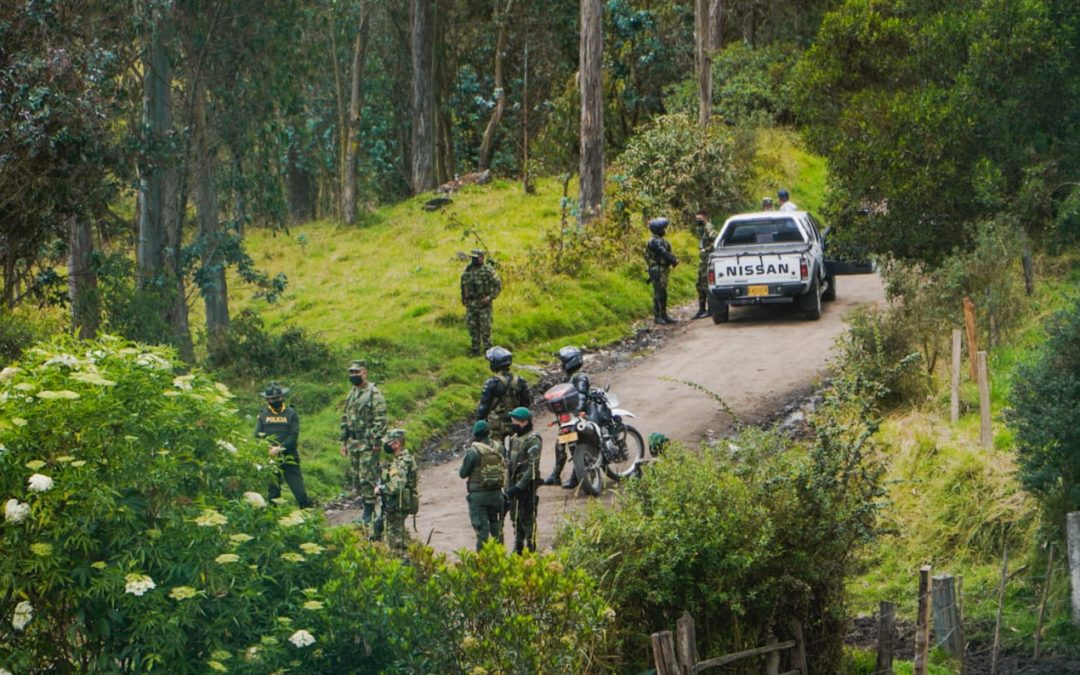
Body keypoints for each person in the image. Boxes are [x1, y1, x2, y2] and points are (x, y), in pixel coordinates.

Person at [339, 359, 388, 527]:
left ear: (365, 373)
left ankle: (370, 512)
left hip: (367, 443)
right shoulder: (352, 393)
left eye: (357, 372)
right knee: (357, 478)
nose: (354, 376)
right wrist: (343, 441)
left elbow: (380, 419)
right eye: (351, 373)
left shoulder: (374, 393)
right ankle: (368, 510)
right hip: (353, 442)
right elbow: (345, 417)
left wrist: (375, 441)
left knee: (367, 478)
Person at [256, 382, 312, 508]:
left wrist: (279, 448)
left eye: (276, 398)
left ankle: (309, 517)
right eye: (270, 399)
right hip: (270, 459)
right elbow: (257, 435)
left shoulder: (291, 413)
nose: (273, 401)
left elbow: (293, 435)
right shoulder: (263, 414)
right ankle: (275, 522)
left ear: (282, 397)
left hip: (289, 457)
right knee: (273, 494)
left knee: (300, 492)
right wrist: (267, 448)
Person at [544, 345, 592, 488]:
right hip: (570, 418)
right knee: (560, 444)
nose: (561, 365)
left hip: (581, 417)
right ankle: (556, 474)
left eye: (563, 362)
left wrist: (577, 412)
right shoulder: (568, 379)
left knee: (574, 447)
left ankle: (575, 476)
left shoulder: (580, 377)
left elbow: (582, 397)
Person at [459, 420, 506, 551]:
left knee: (482, 531)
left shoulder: (473, 452)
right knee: (497, 528)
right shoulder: (499, 448)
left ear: (475, 434)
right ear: (488, 432)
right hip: (497, 494)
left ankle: (483, 562)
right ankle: (500, 558)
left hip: (478, 497)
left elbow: (463, 473)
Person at [374, 429, 418, 554]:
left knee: (396, 542)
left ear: (396, 444)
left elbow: (398, 485)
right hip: (402, 503)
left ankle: (402, 565)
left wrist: (381, 489)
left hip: (397, 506)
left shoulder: (400, 463)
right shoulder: (407, 458)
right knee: (399, 535)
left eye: (389, 443)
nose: (386, 446)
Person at [475, 346, 529, 447]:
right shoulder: (520, 380)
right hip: (516, 421)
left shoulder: (491, 383)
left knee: (494, 449)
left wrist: (479, 423)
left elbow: (483, 407)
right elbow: (526, 403)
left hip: (497, 425)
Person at [505, 407, 542, 554]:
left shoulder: (533, 440)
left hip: (526, 488)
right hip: (514, 487)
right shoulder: (514, 439)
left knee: (527, 520)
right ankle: (518, 549)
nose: (512, 424)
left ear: (524, 422)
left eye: (514, 421)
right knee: (515, 519)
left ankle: (532, 550)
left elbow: (533, 466)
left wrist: (520, 486)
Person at [460, 249, 502, 356]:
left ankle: (489, 351)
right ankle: (475, 350)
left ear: (482, 258)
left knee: (485, 328)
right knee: (473, 327)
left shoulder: (488, 270)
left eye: (476, 257)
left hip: (484, 304)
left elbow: (498, 284)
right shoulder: (468, 270)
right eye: (473, 257)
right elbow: (463, 285)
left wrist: (490, 297)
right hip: (471, 304)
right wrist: (463, 298)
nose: (474, 259)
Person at [644, 217, 679, 324]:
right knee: (658, 293)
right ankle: (658, 316)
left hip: (663, 269)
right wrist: (673, 260)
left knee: (663, 292)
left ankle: (664, 314)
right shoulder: (655, 242)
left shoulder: (660, 240)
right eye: (663, 228)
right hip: (657, 269)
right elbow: (663, 252)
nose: (665, 230)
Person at [692, 210, 720, 320]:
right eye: (697, 219)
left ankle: (709, 310)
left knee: (706, 285)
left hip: (708, 260)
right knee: (700, 285)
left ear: (705, 217)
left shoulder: (709, 228)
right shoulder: (701, 229)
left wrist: (706, 249)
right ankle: (701, 309)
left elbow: (716, 242)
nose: (698, 221)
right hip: (703, 260)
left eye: (700, 219)